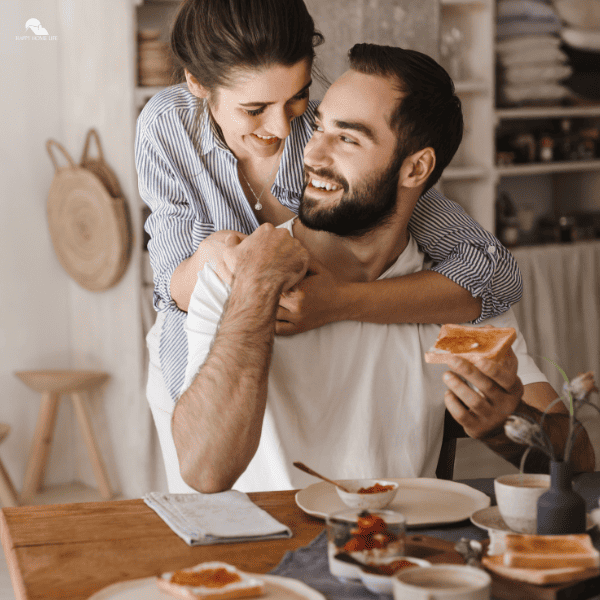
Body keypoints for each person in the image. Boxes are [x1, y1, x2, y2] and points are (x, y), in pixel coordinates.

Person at [168, 44, 594, 494]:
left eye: (347, 139)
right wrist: (256, 289)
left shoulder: (456, 299)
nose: (312, 156)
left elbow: (579, 461)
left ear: (416, 168)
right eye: (318, 128)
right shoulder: (242, 270)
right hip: (258, 555)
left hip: (397, 552)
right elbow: (205, 471)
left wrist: (506, 422)